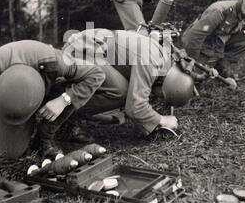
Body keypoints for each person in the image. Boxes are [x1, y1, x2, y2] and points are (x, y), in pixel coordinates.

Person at [0, 40, 105, 159]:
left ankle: (43, 138)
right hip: (12, 105)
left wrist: (64, 99)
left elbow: (96, 74)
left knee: (68, 93)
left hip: (47, 87)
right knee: (8, 153)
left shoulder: (54, 60)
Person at [62, 28, 195, 137]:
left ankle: (69, 111)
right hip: (79, 52)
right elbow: (135, 107)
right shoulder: (151, 62)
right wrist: (162, 120)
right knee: (120, 92)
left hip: (87, 48)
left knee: (122, 89)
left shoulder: (162, 59)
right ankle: (67, 116)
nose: (159, 97)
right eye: (162, 95)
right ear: (165, 85)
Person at [181, 0, 245, 77]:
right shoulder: (220, 11)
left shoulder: (242, 14)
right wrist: (193, 61)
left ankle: (221, 65)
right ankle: (201, 63)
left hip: (216, 45)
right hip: (199, 45)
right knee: (190, 79)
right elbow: (194, 37)